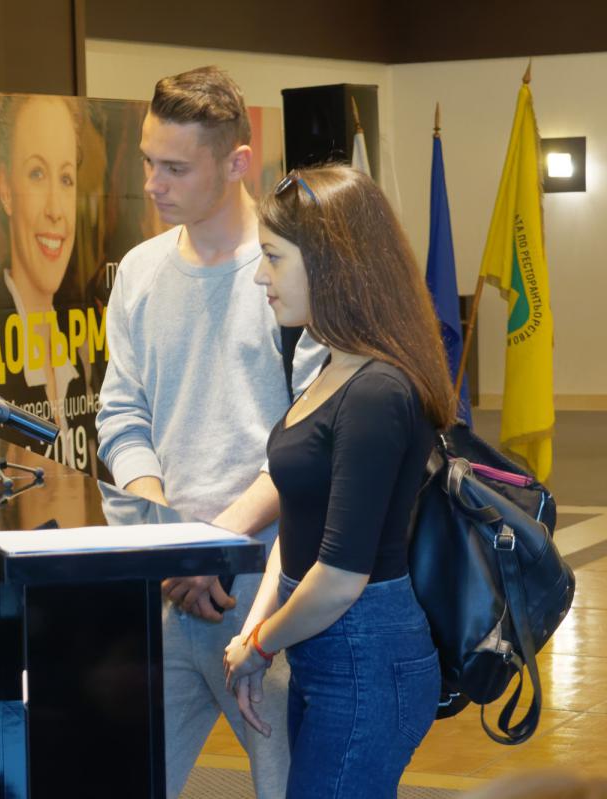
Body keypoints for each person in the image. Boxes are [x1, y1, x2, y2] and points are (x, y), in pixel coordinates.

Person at [95, 66, 325, 798]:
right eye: (147, 163)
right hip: (165, 591)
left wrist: (214, 545)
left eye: (175, 168)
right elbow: (121, 412)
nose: (152, 185)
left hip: (272, 596)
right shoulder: (139, 272)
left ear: (237, 163)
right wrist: (167, 534)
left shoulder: (295, 274)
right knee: (119, 777)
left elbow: (315, 438)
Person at [224, 165, 454, 797]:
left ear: (332, 264)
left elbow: (341, 577)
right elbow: (298, 521)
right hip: (326, 656)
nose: (260, 276)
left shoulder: (377, 391)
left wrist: (260, 645)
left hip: (365, 661)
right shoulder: (333, 366)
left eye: (274, 257)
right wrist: (255, 631)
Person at [0, 94, 97, 468]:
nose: (55, 210)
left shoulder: (86, 360)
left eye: (66, 179)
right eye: (36, 174)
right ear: (5, 188)